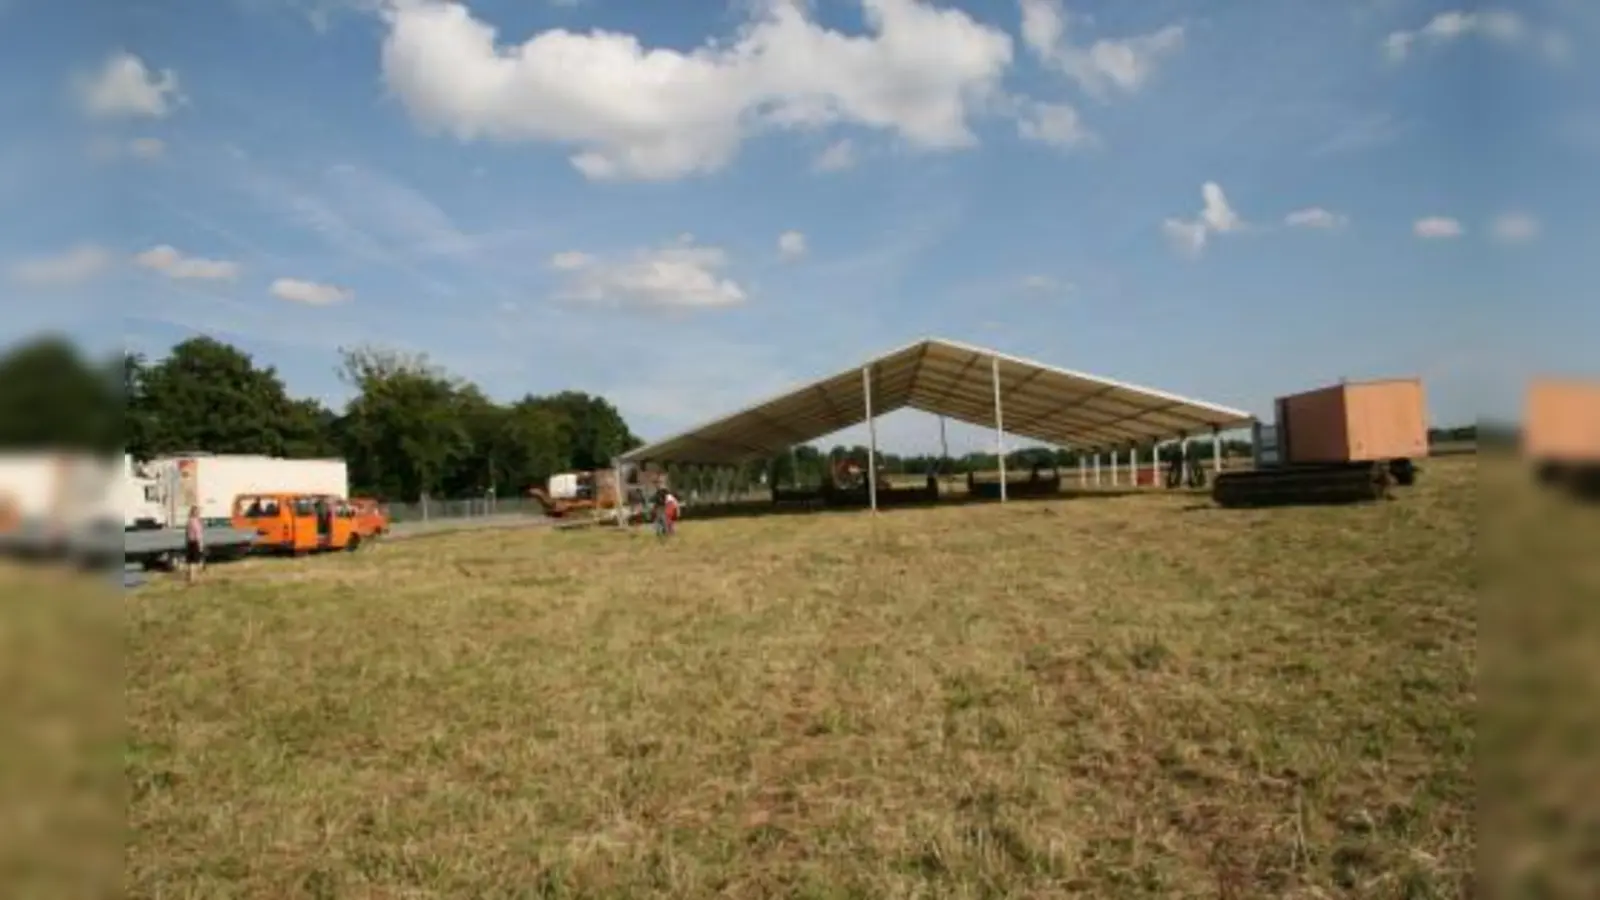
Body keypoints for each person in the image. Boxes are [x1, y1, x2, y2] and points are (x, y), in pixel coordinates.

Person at [184, 505, 205, 584]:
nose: (199, 513)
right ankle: (193, 578)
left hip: (190, 542)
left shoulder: (189, 521)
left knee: (191, 561)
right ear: (195, 512)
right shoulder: (196, 522)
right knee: (195, 561)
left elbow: (186, 533)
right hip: (195, 542)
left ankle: (190, 577)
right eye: (198, 511)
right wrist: (200, 545)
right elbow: (198, 534)